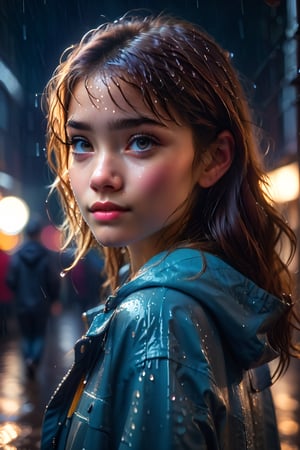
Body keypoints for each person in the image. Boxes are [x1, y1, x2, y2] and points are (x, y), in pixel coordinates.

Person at [40, 12, 300, 450]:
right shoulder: (224, 299)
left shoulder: (158, 317)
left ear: (214, 158)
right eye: (81, 143)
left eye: (141, 140)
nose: (101, 175)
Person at [6, 216, 61, 379]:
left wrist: (18, 291)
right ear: (38, 234)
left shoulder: (17, 255)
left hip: (22, 303)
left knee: (26, 335)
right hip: (41, 304)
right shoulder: (46, 255)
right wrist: (54, 299)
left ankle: (28, 359)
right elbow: (53, 279)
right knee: (39, 334)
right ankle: (34, 361)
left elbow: (11, 279)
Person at [0, 248, 13, 336]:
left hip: (4, 293)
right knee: (5, 315)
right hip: (7, 293)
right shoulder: (8, 258)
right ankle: (4, 332)